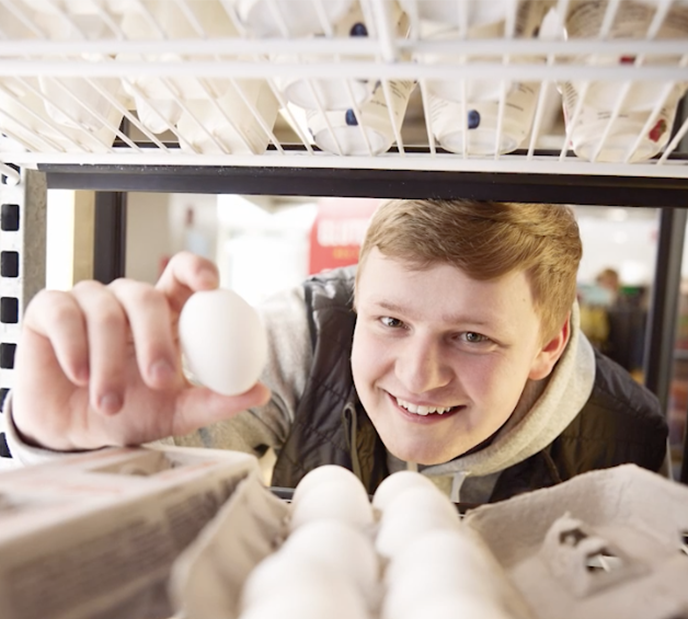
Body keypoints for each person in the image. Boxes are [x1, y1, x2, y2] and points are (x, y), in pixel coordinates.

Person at [6, 200, 670, 504]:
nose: (418, 375)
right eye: (388, 321)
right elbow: (156, 534)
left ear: (548, 345)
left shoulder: (624, 438)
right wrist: (75, 449)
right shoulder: (303, 335)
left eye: (471, 337)